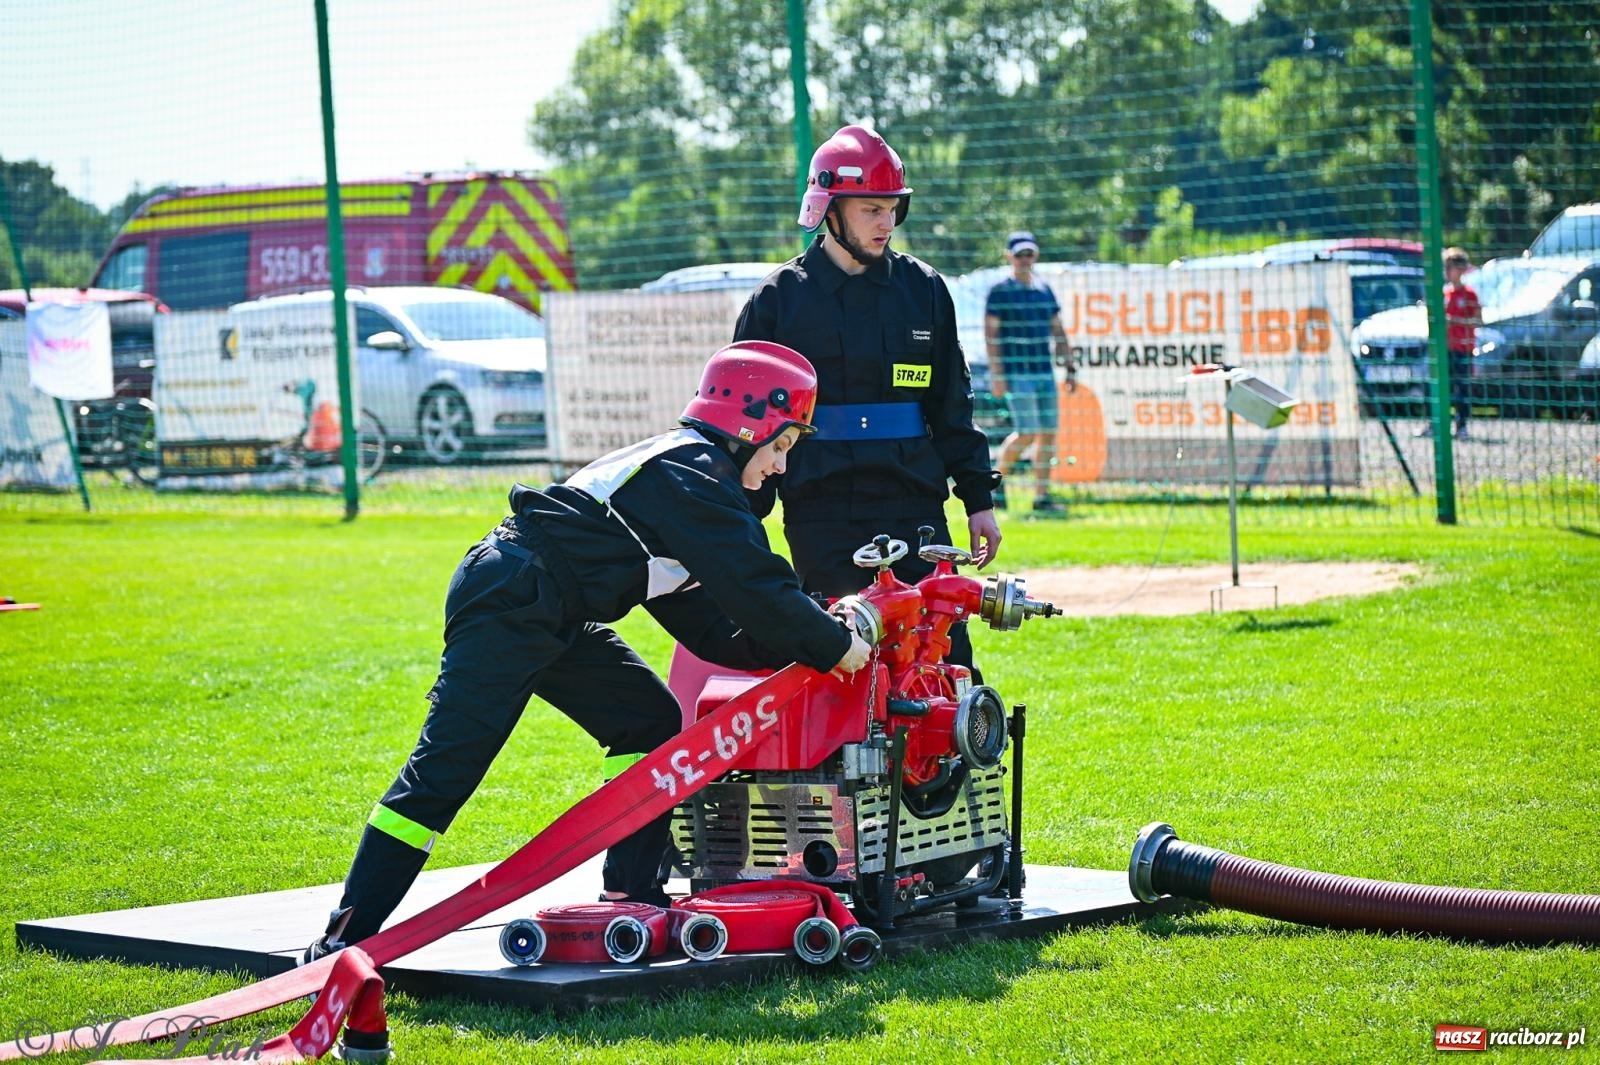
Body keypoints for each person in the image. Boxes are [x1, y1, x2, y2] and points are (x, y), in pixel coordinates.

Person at [303, 341, 872, 958]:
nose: (783, 466)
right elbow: (757, 584)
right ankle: (344, 937)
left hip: (548, 602)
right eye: (782, 445)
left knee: (648, 724)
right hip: (515, 597)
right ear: (747, 425)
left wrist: (808, 640)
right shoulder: (694, 476)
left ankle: (631, 895)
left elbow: (717, 628)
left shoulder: (690, 484)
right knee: (444, 773)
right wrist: (830, 641)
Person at [731, 124, 1001, 673]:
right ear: (828, 211)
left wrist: (978, 500)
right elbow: (743, 421)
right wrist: (739, 518)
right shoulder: (778, 301)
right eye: (870, 210)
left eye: (892, 210)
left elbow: (953, 403)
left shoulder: (923, 289)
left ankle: (960, 757)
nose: (886, 224)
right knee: (842, 660)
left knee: (942, 657)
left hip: (915, 505)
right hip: (820, 509)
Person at [984, 230, 1074, 513]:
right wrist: (997, 375)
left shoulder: (1044, 290)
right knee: (1027, 433)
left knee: (1048, 434)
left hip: (1044, 372)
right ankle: (994, 480)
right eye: (1019, 254)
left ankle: (1042, 497)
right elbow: (991, 336)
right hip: (1017, 374)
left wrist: (1069, 366)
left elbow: (1058, 330)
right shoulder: (1000, 291)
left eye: (1029, 254)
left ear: (1035, 256)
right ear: (1009, 256)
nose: (1024, 259)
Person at [1417, 247, 1481, 440]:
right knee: (1434, 387)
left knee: (1460, 388)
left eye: (1450, 267)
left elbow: (1478, 320)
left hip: (1462, 349)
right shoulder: (1444, 294)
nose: (1447, 272)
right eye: (1446, 267)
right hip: (1444, 349)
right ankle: (1434, 424)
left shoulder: (1469, 294)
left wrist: (1455, 321)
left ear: (1461, 270)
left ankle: (1461, 426)